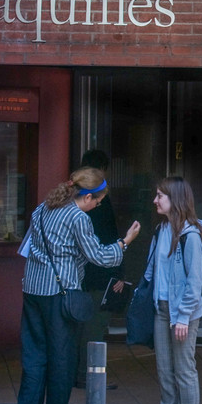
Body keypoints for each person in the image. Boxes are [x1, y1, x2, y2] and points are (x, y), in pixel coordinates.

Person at [14, 166, 140, 404]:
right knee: (62, 360)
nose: (97, 206)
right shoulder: (77, 218)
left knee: (34, 356)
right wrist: (125, 243)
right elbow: (100, 256)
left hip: (33, 291)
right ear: (88, 197)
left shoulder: (43, 209)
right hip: (60, 296)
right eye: (98, 201)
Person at [141, 176, 202, 404]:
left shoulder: (191, 234)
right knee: (165, 368)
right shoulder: (160, 230)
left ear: (175, 199)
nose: (155, 200)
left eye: (160, 196)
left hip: (183, 312)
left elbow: (194, 281)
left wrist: (183, 316)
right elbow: (152, 271)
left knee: (184, 369)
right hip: (161, 308)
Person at [74, 149, 124, 390]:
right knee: (94, 327)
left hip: (78, 276)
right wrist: (119, 267)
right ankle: (87, 374)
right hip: (98, 273)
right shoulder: (97, 200)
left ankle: (76, 372)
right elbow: (106, 239)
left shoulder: (70, 197)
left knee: (80, 326)